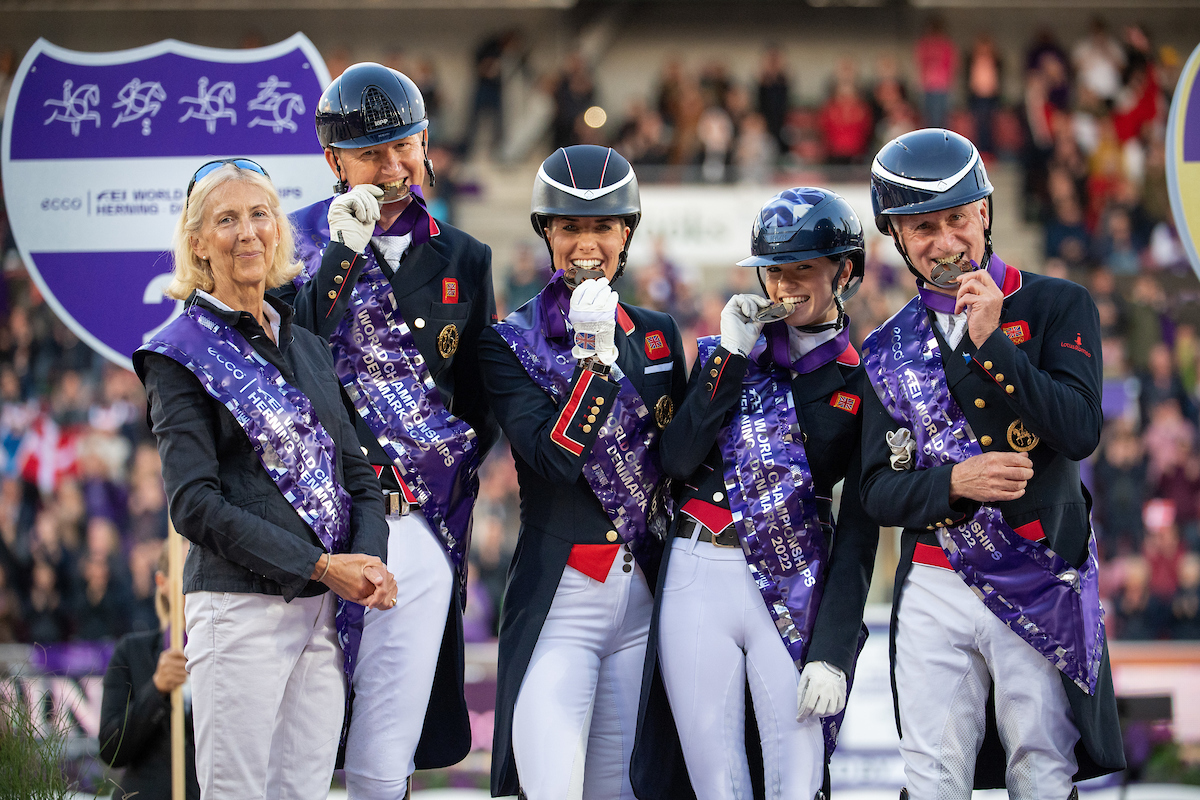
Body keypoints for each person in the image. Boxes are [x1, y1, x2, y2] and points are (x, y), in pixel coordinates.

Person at [860, 128, 1125, 800]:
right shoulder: (887, 348)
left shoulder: (1058, 304)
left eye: (957, 219)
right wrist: (953, 483)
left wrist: (994, 348)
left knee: (1041, 772)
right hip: (933, 584)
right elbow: (875, 493)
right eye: (923, 227)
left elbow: (1079, 430)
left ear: (985, 212)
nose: (944, 242)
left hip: (1036, 571)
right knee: (932, 778)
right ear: (896, 234)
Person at [134, 158, 395, 800]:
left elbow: (356, 472)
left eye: (259, 215)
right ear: (198, 243)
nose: (247, 232)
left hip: (322, 612)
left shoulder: (305, 345)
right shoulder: (177, 352)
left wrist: (365, 561)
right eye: (226, 220)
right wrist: (320, 565)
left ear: (279, 229)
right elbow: (194, 505)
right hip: (238, 608)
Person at [281, 62, 499, 799]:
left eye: (403, 144)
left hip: (419, 522)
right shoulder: (296, 244)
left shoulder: (466, 257)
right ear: (334, 162)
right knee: (304, 740)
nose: (392, 164)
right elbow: (291, 365)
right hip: (320, 525)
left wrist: (441, 481)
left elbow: (476, 401)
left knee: (386, 748)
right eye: (371, 153)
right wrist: (341, 259)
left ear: (426, 140)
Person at [632, 188, 878, 800]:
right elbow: (677, 459)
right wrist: (730, 359)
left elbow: (860, 530)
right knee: (716, 784)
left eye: (803, 269)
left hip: (791, 582)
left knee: (795, 780)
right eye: (773, 270)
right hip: (697, 572)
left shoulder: (861, 378)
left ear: (843, 271)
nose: (783, 286)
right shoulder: (728, 353)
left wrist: (834, 649)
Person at [479, 145, 688, 800]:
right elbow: (551, 459)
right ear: (547, 233)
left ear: (627, 233)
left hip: (644, 602)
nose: (586, 243)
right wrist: (595, 373)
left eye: (602, 227)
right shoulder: (509, 341)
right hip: (560, 602)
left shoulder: (656, 334)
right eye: (570, 227)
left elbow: (679, 463)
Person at [98, 545, 198, 800]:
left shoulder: (230, 656)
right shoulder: (131, 652)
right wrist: (156, 690)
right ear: (162, 582)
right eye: (187, 570)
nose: (197, 580)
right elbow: (112, 750)